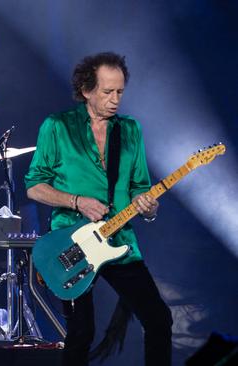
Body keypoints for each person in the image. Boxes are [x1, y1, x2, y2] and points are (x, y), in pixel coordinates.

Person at [25, 52, 172, 365]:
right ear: (85, 90)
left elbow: (140, 188)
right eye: (107, 92)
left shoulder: (130, 130)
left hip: (120, 243)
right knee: (81, 332)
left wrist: (148, 206)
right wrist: (77, 201)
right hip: (72, 242)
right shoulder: (57, 127)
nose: (115, 99)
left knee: (159, 319)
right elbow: (34, 185)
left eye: (120, 92)